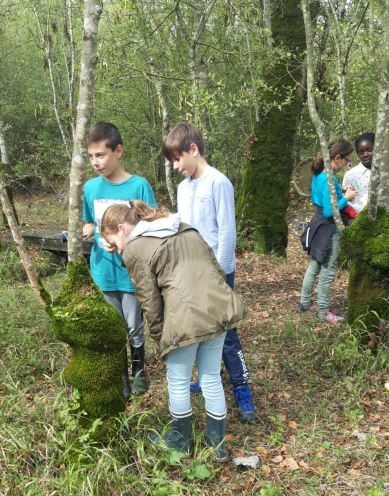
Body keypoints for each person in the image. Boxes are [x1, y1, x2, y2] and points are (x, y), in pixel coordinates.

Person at [100, 201, 246, 461]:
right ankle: (217, 446)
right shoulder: (185, 228)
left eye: (113, 241)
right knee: (210, 377)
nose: (116, 249)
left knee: (177, 382)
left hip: (185, 319)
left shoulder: (134, 248)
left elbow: (150, 303)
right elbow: (216, 269)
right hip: (220, 308)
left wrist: (160, 340)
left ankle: (181, 442)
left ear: (122, 228)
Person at [163, 122, 256, 423]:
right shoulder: (182, 187)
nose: (176, 166)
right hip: (190, 274)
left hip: (217, 274)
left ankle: (242, 389)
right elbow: (182, 227)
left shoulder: (219, 182)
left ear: (194, 149)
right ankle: (206, 379)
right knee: (201, 330)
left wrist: (220, 272)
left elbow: (227, 233)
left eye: (178, 159)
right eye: (172, 161)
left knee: (226, 333)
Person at [83, 122, 157, 399]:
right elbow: (89, 222)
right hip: (103, 272)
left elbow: (151, 225)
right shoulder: (90, 188)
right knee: (114, 330)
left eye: (100, 155)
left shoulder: (138, 186)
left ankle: (139, 373)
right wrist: (88, 231)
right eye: (91, 156)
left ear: (118, 151)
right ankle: (121, 378)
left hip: (131, 274)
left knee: (133, 327)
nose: (96, 162)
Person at [299, 138, 357, 324]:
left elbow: (324, 197)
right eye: (347, 160)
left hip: (318, 224)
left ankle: (305, 302)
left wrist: (341, 191)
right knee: (328, 269)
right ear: (338, 157)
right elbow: (329, 209)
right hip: (328, 226)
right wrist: (346, 197)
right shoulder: (329, 177)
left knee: (315, 264)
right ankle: (323, 310)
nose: (347, 164)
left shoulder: (320, 173)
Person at [342, 133, 375, 213]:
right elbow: (345, 201)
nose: (365, 155)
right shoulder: (351, 175)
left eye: (369, 150)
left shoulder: (385, 171)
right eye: (361, 152)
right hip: (360, 219)